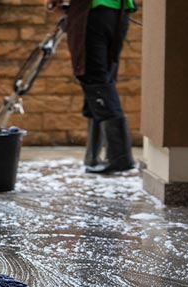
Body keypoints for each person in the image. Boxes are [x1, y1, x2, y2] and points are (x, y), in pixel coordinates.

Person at [48, 0, 137, 173]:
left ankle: (121, 157)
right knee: (104, 80)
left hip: (93, 11)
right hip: (119, 13)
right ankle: (93, 156)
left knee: (95, 80)